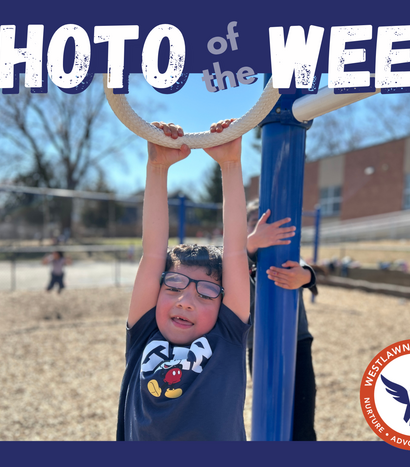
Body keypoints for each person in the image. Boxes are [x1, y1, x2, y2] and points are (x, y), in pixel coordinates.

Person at [116, 120, 251, 441]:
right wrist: (157, 168)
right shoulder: (144, 334)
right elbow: (152, 253)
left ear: (222, 303)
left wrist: (231, 165)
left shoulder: (227, 337)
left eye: (206, 294)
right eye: (174, 286)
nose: (185, 300)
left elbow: (235, 253)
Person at [246, 199, 318, 441]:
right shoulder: (240, 257)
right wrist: (251, 244)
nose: (266, 230)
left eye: (272, 224)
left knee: (302, 417)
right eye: (257, 224)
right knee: (268, 412)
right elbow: (229, 266)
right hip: (258, 344)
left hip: (297, 342)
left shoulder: (287, 255)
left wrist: (305, 276)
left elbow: (305, 269)